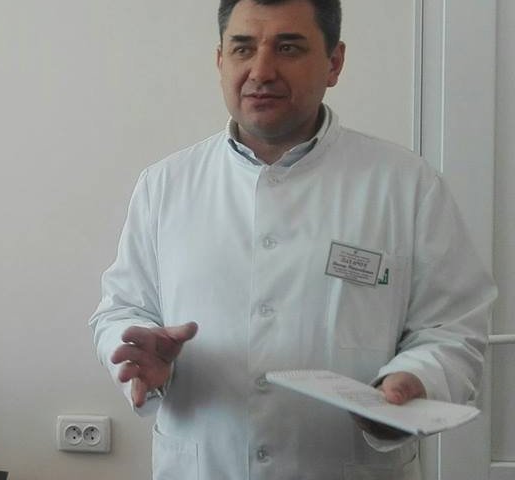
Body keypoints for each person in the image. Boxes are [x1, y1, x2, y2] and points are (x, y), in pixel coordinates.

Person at [88, 0, 498, 478]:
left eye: (288, 48)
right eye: (243, 48)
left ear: (334, 63)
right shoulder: (165, 184)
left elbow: (453, 328)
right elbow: (121, 309)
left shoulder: (406, 185)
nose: (261, 71)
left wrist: (414, 380)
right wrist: (140, 354)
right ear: (220, 60)